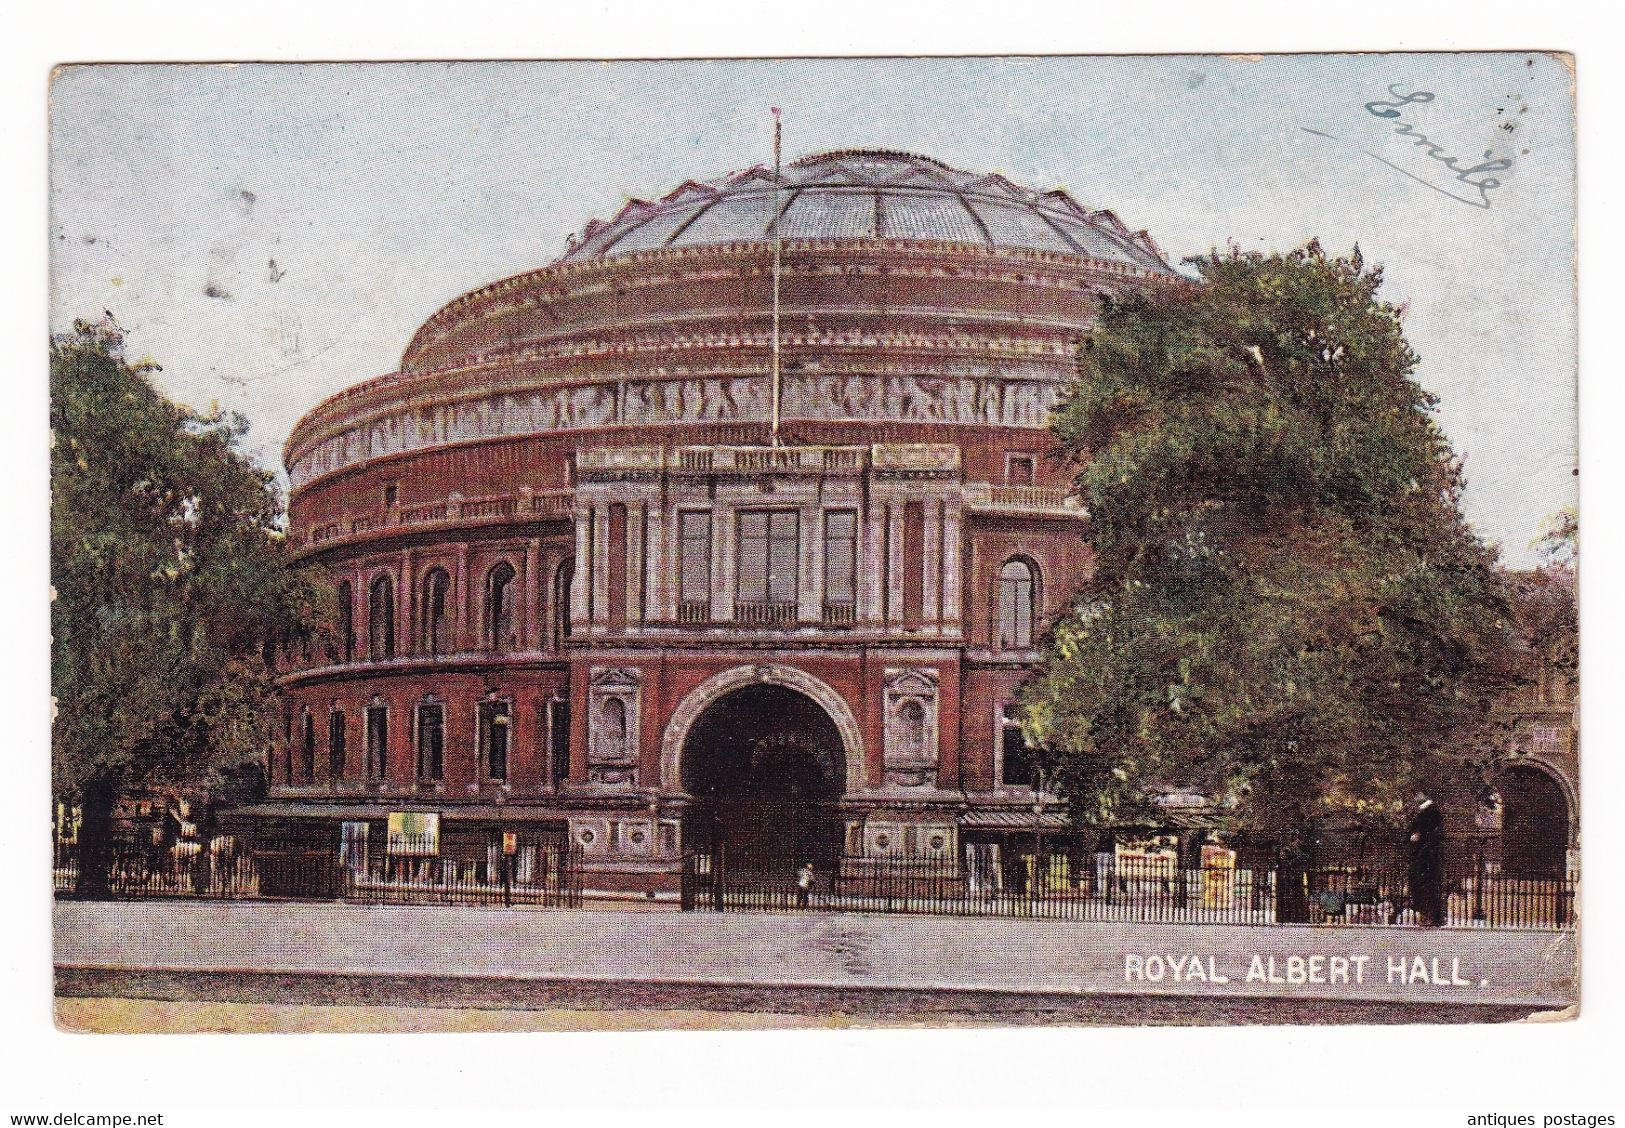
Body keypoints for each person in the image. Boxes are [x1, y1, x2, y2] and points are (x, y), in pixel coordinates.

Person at [1407, 795, 1446, 927]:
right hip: (1426, 856)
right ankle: (1431, 916)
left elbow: (1426, 833)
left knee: (1426, 886)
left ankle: (1430, 916)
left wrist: (1417, 835)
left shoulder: (1428, 812)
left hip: (1426, 857)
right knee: (1428, 887)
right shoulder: (1428, 812)